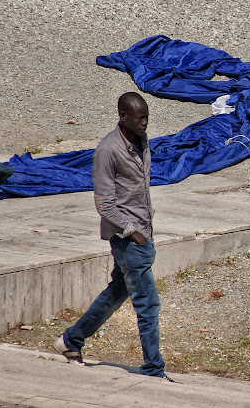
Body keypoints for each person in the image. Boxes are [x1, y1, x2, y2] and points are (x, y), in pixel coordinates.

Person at [53, 92, 174, 382]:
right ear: (122, 115)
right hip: (128, 239)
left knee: (117, 292)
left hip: (144, 232)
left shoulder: (140, 139)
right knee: (147, 303)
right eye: (140, 117)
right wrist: (134, 233)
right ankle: (154, 369)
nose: (145, 122)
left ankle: (71, 341)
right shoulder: (108, 151)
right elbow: (104, 205)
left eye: (147, 116)